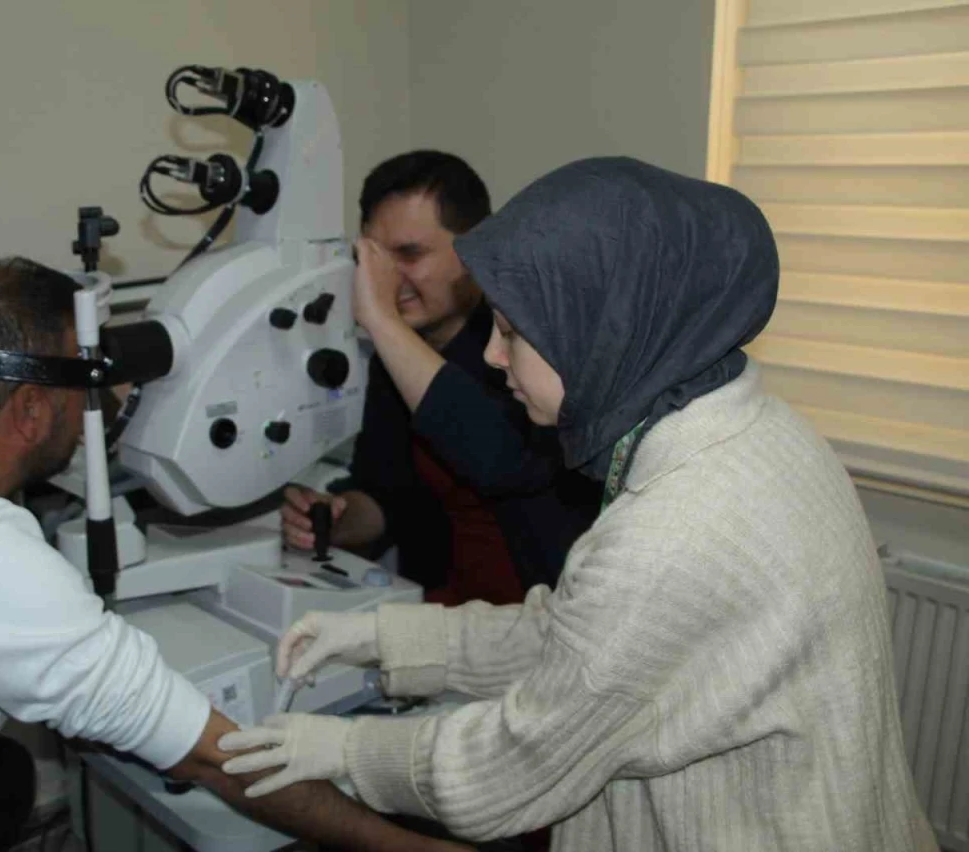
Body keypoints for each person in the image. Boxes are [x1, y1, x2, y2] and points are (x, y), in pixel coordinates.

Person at [219, 159, 939, 851]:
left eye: (512, 333)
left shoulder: (676, 528)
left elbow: (513, 766)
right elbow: (577, 639)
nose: (493, 356)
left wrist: (344, 748)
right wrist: (381, 636)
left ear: (602, 331)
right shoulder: (751, 429)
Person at [0, 258, 469, 852]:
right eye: (88, 385)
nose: (104, 404)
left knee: (8, 774)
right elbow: (215, 759)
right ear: (31, 410)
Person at [282, 151, 600, 605]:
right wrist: (335, 518)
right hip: (439, 608)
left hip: (539, 612)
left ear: (476, 248)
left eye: (410, 254)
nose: (387, 278)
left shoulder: (532, 341)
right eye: (375, 258)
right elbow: (384, 495)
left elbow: (502, 460)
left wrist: (380, 320)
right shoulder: (394, 355)